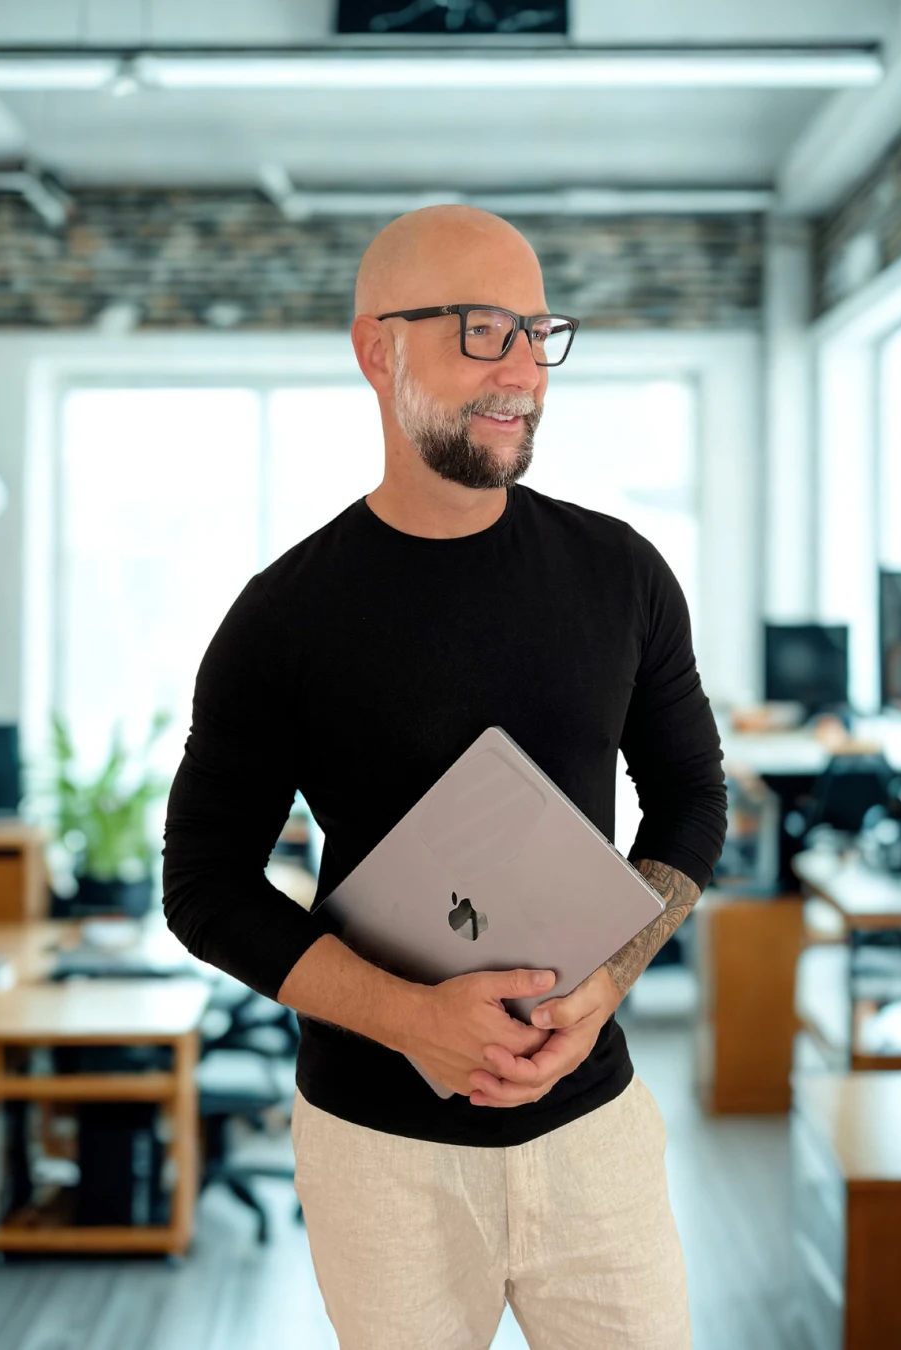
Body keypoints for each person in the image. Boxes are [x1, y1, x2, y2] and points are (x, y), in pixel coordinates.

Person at [162, 204, 727, 1349]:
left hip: (593, 1125)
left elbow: (691, 801)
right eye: (482, 331)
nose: (524, 369)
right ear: (378, 349)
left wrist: (609, 983)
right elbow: (205, 884)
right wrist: (414, 1020)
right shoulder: (283, 618)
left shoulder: (622, 574)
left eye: (537, 331)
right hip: (378, 1151)